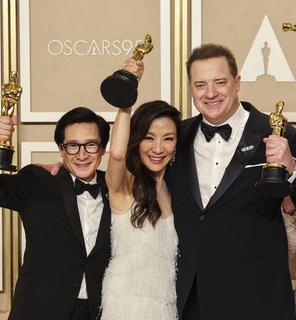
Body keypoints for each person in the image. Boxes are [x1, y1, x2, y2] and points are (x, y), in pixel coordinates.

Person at [165, 43, 296, 320]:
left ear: (237, 83)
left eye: (219, 82)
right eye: (200, 85)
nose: (210, 93)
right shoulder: (177, 136)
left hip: (257, 296)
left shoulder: (278, 132)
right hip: (191, 298)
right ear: (191, 89)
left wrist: (292, 167)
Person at [0, 107, 111, 320]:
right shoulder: (38, 181)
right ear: (61, 149)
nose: (82, 155)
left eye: (91, 145)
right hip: (40, 309)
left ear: (103, 149)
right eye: (73, 146)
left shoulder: (119, 188)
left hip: (101, 311)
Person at [100, 97, 180, 320]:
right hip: (126, 306)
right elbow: (116, 155)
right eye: (148, 138)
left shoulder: (173, 189)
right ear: (136, 140)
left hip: (166, 307)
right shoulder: (125, 185)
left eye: (168, 139)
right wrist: (125, 100)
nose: (157, 148)